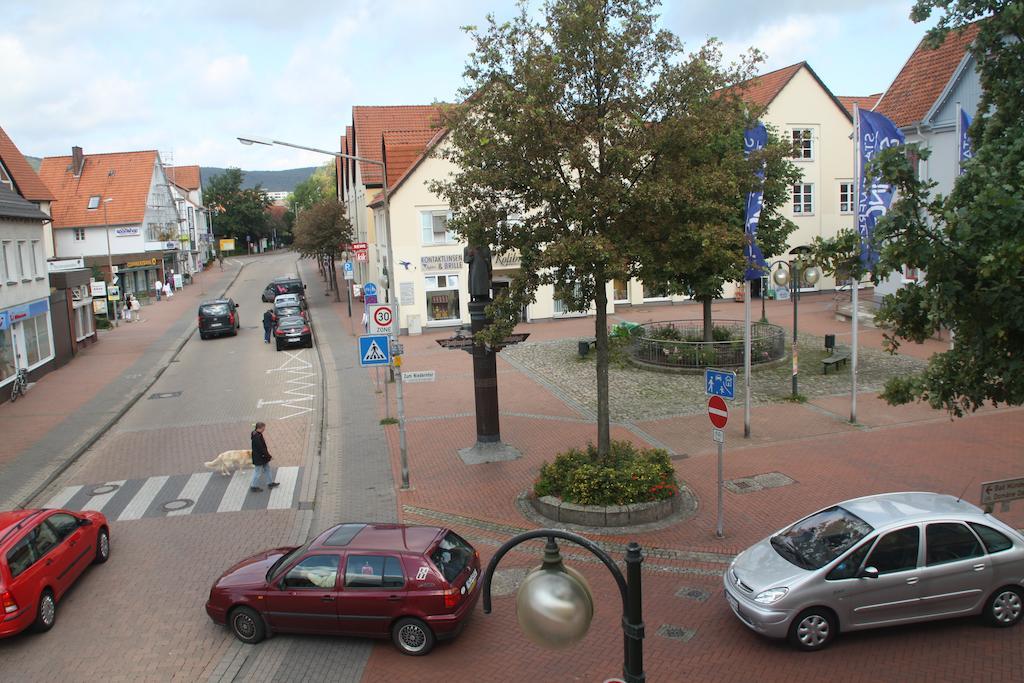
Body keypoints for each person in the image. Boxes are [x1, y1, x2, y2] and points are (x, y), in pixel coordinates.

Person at [249, 422, 279, 492]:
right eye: (263, 428)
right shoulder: (257, 437)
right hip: (259, 458)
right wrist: (269, 456)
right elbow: (262, 449)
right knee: (257, 472)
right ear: (260, 428)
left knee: (267, 469)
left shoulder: (256, 434)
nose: (264, 429)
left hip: (262, 457)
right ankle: (253, 486)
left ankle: (270, 482)